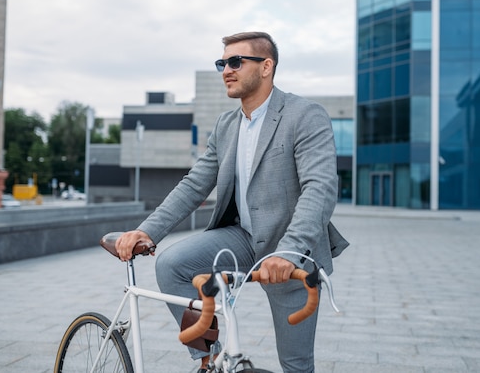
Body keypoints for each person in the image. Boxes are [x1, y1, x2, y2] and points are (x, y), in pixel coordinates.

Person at [115, 31, 349, 373]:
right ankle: (209, 361)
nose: (227, 69)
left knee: (296, 364)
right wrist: (147, 230)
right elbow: (194, 184)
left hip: (290, 251)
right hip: (240, 239)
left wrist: (290, 250)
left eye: (237, 61)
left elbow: (321, 188)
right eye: (222, 63)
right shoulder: (226, 125)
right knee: (171, 264)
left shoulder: (304, 115)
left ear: (266, 66)